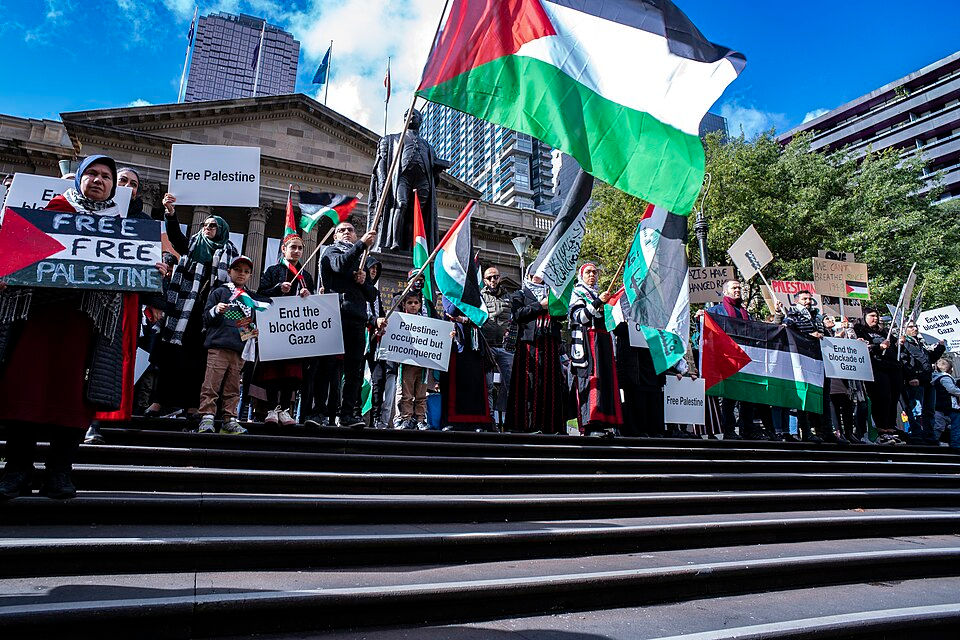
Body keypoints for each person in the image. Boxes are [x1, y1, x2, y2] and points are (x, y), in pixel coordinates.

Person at [0, 155, 131, 499]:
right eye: (92, 173)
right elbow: (15, 260)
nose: (99, 180)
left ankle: (59, 471)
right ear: (79, 179)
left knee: (74, 399)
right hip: (38, 319)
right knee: (23, 391)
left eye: (106, 176)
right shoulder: (52, 209)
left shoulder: (121, 226)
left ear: (113, 187)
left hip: (86, 325)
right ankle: (17, 470)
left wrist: (148, 270)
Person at [151, 209, 239, 421]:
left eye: (212, 225)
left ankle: (192, 405)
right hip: (182, 310)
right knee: (170, 355)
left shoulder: (230, 252)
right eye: (205, 225)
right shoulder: (192, 245)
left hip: (209, 313)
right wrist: (171, 215)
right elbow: (175, 237)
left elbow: (234, 283)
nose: (207, 228)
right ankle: (159, 401)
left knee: (198, 361)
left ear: (222, 230)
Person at [319, 221, 384, 428]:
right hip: (335, 315)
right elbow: (339, 265)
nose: (346, 233)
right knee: (327, 367)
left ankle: (347, 414)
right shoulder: (331, 251)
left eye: (350, 230)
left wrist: (364, 281)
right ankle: (319, 412)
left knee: (354, 370)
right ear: (335, 236)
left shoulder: (361, 260)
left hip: (357, 319)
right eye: (341, 230)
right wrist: (362, 245)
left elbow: (372, 294)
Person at [197, 255, 267, 434]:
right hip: (218, 346)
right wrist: (216, 310)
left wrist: (252, 333)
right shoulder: (219, 292)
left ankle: (230, 419)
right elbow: (205, 318)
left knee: (233, 387)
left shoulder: (249, 299)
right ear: (229, 272)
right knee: (211, 383)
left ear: (250, 275)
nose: (241, 274)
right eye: (238, 270)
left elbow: (242, 323)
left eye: (246, 271)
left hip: (239, 350)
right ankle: (206, 417)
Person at [256, 234, 315, 426]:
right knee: (273, 371)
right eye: (293, 248)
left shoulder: (306, 276)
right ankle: (272, 409)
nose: (297, 251)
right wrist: (277, 289)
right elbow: (260, 294)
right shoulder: (273, 271)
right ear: (284, 249)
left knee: (291, 373)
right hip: (276, 329)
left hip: (296, 331)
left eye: (300, 248)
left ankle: (285, 410)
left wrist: (309, 295)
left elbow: (313, 307)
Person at [776, 290, 842, 443]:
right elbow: (785, 330)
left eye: (810, 299)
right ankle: (806, 431)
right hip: (804, 360)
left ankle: (827, 431)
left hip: (821, 360)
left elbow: (825, 335)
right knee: (804, 396)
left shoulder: (818, 317)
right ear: (797, 300)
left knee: (824, 397)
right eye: (804, 298)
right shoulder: (793, 316)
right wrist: (808, 336)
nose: (808, 301)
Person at [507, 271, 567, 434]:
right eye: (534, 273)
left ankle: (549, 426)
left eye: (541, 274)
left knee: (549, 384)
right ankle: (525, 425)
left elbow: (562, 316)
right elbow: (518, 315)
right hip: (529, 344)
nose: (537, 277)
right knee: (528, 384)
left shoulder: (553, 293)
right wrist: (541, 305)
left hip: (549, 343)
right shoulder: (520, 294)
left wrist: (556, 303)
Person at [568, 263, 623, 436]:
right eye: (588, 272)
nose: (592, 275)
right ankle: (590, 423)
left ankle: (605, 421)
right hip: (588, 340)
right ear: (581, 275)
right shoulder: (577, 293)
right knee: (592, 380)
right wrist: (598, 301)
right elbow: (580, 317)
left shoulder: (601, 294)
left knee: (606, 380)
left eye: (594, 272)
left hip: (604, 340)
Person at [703, 280, 761, 440]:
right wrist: (700, 319)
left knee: (747, 396)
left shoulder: (745, 312)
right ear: (725, 291)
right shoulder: (715, 311)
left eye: (739, 288)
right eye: (734, 288)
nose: (738, 290)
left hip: (746, 358)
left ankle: (747, 430)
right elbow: (705, 333)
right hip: (727, 359)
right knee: (729, 397)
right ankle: (728, 430)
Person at [440, 297, 493, 431]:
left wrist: (465, 319)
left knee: (475, 385)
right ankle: (453, 421)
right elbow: (451, 311)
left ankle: (477, 421)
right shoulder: (449, 292)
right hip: (456, 345)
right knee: (455, 385)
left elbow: (482, 317)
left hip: (474, 345)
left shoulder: (476, 295)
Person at [855, 309, 903, 440]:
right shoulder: (860, 330)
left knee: (893, 397)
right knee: (882, 396)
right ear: (864, 317)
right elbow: (863, 347)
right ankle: (881, 426)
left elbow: (894, 345)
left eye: (876, 316)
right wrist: (879, 347)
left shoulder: (884, 331)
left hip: (892, 366)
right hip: (876, 366)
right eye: (871, 316)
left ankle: (891, 425)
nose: (875, 319)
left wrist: (899, 343)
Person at [899, 320, 945, 445]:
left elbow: (929, 359)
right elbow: (904, 361)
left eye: (916, 326)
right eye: (911, 326)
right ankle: (917, 434)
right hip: (915, 381)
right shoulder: (904, 344)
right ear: (904, 329)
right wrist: (911, 377)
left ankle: (929, 435)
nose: (915, 328)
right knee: (916, 410)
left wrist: (940, 347)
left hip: (927, 380)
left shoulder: (920, 343)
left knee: (929, 410)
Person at [480, 266, 515, 427]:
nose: (493, 280)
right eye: (489, 278)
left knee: (512, 384)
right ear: (484, 280)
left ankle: (511, 421)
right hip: (487, 346)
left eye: (496, 277)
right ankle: (490, 421)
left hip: (505, 347)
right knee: (487, 385)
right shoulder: (479, 297)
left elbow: (516, 318)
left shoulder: (509, 296)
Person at [394, 291, 430, 429]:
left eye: (416, 303)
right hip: (407, 363)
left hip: (422, 365)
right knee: (406, 393)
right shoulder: (400, 321)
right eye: (410, 303)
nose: (413, 305)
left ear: (420, 305)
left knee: (421, 394)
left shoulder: (427, 323)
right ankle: (406, 418)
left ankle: (420, 419)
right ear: (404, 305)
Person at [931, 358, 960, 452]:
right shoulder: (945, 378)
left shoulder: (935, 378)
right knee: (956, 424)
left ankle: (934, 441)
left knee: (939, 425)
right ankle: (956, 444)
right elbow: (951, 389)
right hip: (949, 405)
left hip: (939, 405)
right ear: (950, 369)